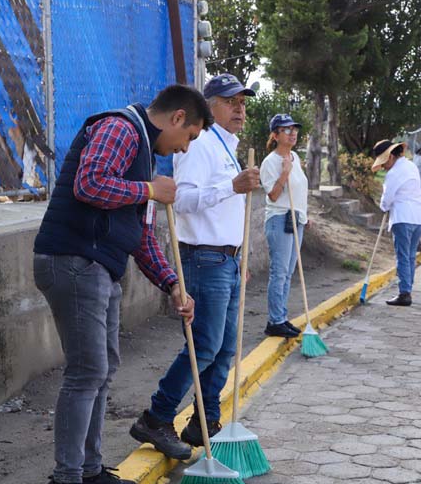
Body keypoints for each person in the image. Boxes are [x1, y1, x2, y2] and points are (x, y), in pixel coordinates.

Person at [32, 85, 209, 484]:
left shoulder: (144, 157)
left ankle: (89, 472)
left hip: (99, 267)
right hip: (74, 262)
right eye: (189, 136)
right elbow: (89, 183)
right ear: (176, 117)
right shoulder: (120, 127)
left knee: (102, 369)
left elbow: (140, 235)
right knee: (86, 371)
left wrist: (171, 284)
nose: (184, 147)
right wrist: (150, 189)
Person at [131, 74, 260, 454]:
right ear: (210, 106)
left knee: (223, 349)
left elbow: (229, 208)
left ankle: (204, 421)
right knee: (203, 345)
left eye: (242, 101)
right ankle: (157, 415)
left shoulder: (225, 146)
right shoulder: (200, 144)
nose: (239, 108)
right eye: (230, 101)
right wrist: (231, 186)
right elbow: (181, 200)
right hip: (204, 257)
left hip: (227, 259)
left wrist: (240, 255)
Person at [260, 113, 308, 337]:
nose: (293, 133)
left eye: (294, 129)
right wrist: (285, 172)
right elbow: (273, 195)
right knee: (279, 272)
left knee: (288, 272)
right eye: (287, 130)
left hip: (296, 218)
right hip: (280, 218)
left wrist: (304, 214)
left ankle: (281, 316)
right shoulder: (270, 162)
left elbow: (299, 190)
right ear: (276, 135)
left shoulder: (295, 157)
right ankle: (275, 320)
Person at [372, 140, 421, 306]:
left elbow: (387, 198)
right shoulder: (410, 166)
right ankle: (407, 288)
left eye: (383, 163)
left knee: (403, 256)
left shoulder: (394, 173)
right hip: (419, 217)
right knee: (410, 256)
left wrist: (383, 207)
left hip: (403, 218)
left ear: (390, 157)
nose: (383, 167)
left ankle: (404, 293)